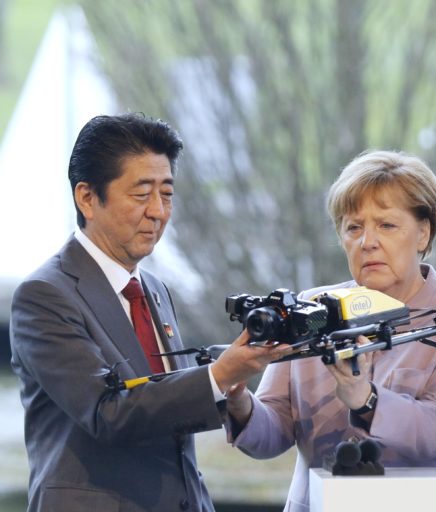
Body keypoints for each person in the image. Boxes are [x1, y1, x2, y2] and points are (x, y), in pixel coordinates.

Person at [10, 113, 288, 512]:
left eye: (167, 194)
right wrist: (219, 374)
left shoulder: (154, 290)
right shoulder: (44, 295)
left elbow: (168, 408)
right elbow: (106, 413)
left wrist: (230, 390)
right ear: (87, 198)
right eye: (141, 194)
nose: (158, 211)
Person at [225, 150, 436, 511]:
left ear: (423, 233)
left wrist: (367, 400)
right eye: (354, 227)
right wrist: (239, 402)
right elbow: (272, 434)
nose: (367, 241)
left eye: (386, 225)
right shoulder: (309, 307)